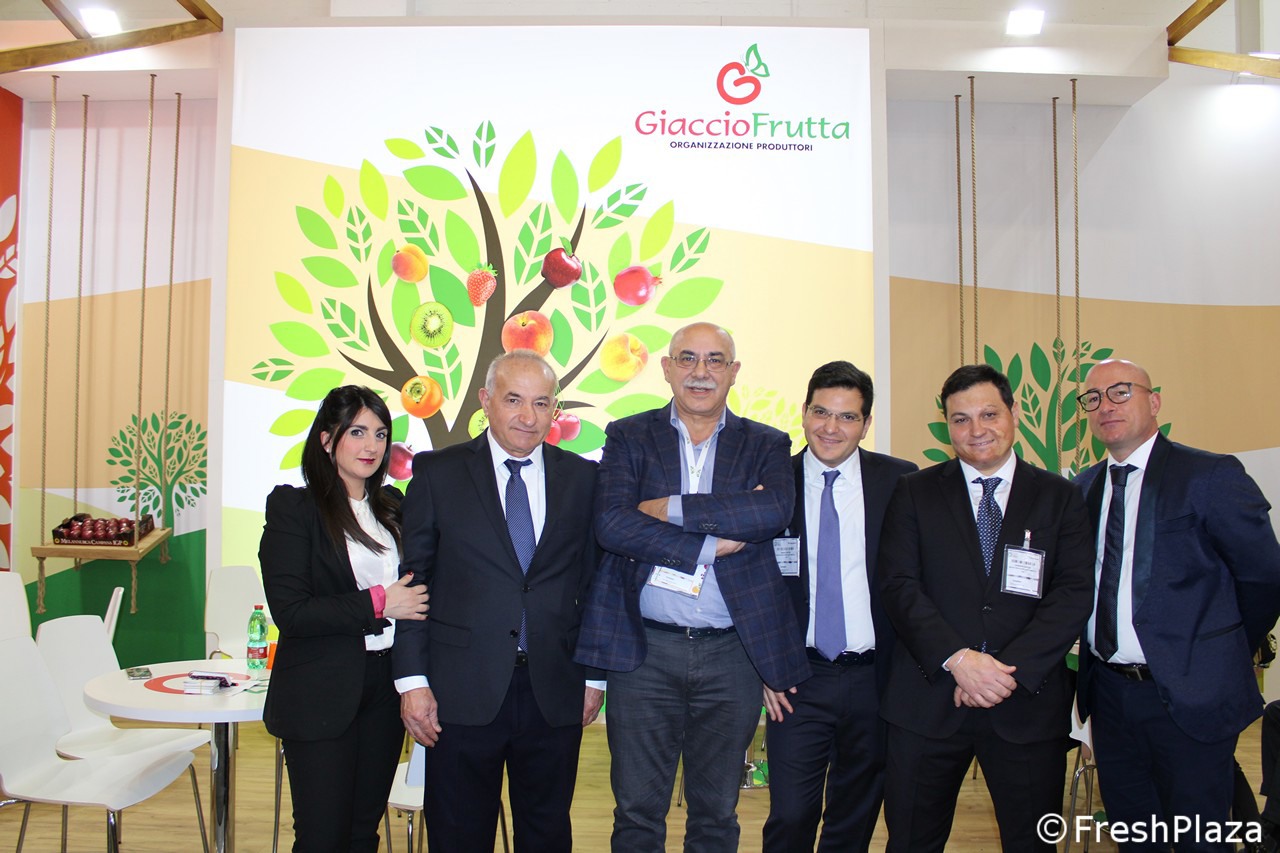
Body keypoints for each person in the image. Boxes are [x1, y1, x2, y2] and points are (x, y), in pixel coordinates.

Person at [575, 321, 810, 853]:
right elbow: (612, 524)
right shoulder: (629, 435)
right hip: (644, 653)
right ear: (666, 368)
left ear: (734, 371)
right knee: (637, 814)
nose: (700, 372)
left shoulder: (767, 443)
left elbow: (771, 511)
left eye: (714, 360)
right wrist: (709, 545)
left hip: (733, 655)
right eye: (687, 358)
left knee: (716, 815)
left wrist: (667, 508)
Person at [877, 364, 1095, 852]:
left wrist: (1004, 674)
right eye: (961, 419)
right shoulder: (914, 492)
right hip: (928, 702)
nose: (976, 430)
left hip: (1025, 704)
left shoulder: (1060, 496)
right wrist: (959, 660)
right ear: (946, 426)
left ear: (1014, 413)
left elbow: (1073, 592)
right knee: (910, 842)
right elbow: (898, 585)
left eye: (989, 414)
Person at [392, 350, 601, 853]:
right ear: (486, 401)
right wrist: (412, 682)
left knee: (547, 835)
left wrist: (595, 677)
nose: (528, 416)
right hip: (459, 691)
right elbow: (415, 583)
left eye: (541, 403)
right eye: (513, 400)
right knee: (459, 835)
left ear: (555, 410)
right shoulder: (438, 473)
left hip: (555, 689)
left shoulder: (584, 479)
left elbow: (596, 584)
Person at [1074, 358, 1280, 851]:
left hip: (1191, 694)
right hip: (1110, 697)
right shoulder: (1083, 487)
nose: (1106, 406)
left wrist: (1219, 650)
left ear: (1155, 402)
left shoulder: (1210, 475)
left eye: (1121, 391)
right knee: (1134, 836)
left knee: (1198, 839)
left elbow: (1265, 577)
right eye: (1093, 398)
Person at [260, 385, 430, 853]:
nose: (371, 445)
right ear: (326, 439)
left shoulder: (393, 507)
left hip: (385, 687)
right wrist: (379, 602)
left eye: (380, 434)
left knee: (361, 833)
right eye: (357, 432)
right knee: (322, 837)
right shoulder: (295, 509)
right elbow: (292, 612)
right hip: (321, 691)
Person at [762, 361, 918, 853]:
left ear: (866, 424)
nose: (831, 427)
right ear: (803, 413)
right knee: (790, 814)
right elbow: (751, 584)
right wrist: (765, 667)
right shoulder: (773, 482)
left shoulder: (900, 482)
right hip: (796, 679)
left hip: (875, 679)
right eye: (821, 412)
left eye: (847, 417)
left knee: (854, 817)